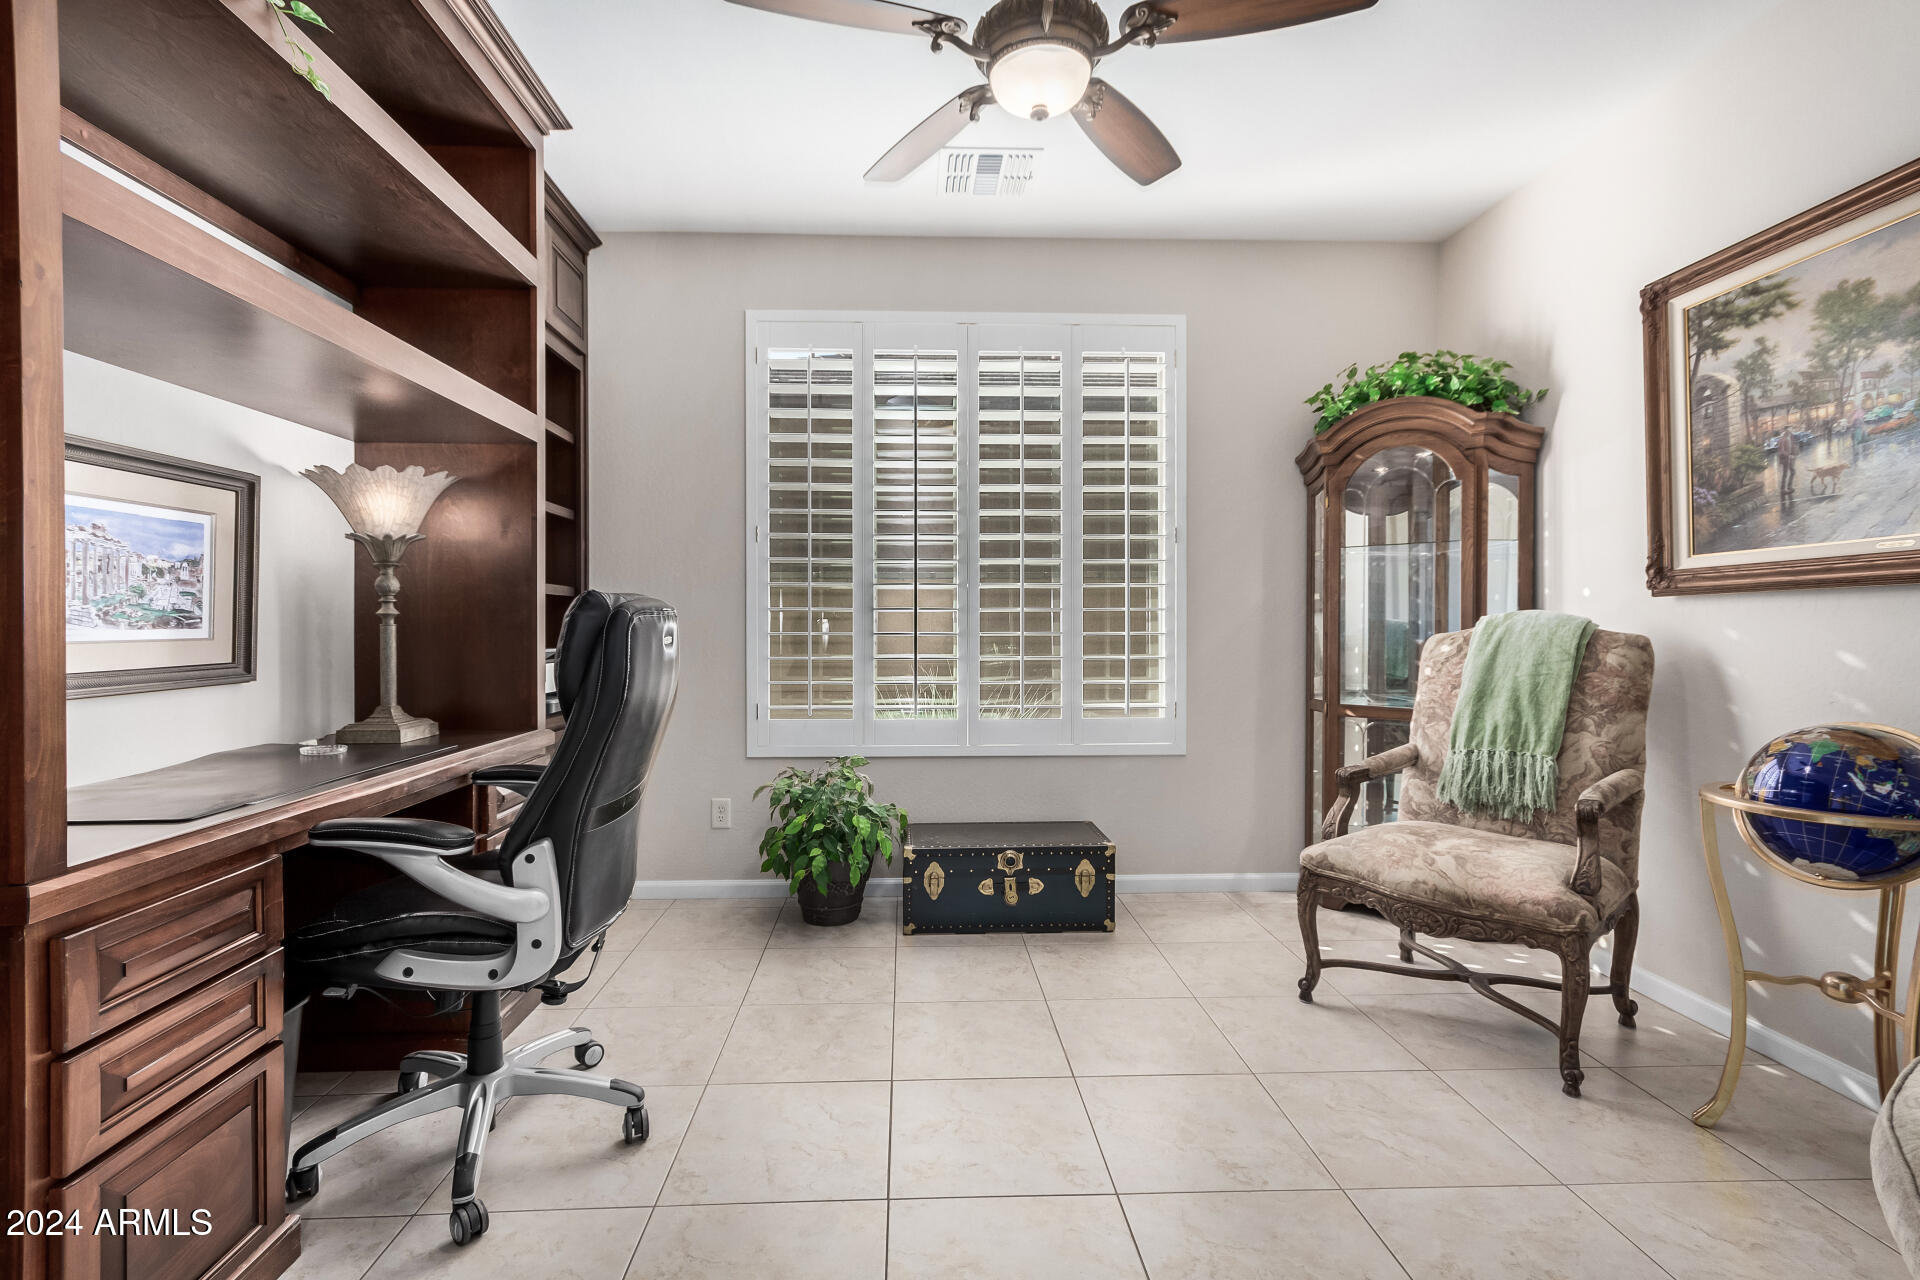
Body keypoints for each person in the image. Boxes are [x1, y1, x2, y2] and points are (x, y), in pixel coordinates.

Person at [1776, 423, 1798, 506]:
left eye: (1791, 428)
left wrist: (1795, 453)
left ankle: (1789, 487)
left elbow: (1792, 446)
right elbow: (1781, 451)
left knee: (1792, 472)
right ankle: (1783, 489)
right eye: (1790, 428)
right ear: (1786, 430)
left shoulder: (1791, 437)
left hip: (1790, 459)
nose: (1791, 429)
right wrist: (1789, 455)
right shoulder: (1782, 439)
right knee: (1785, 474)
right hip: (1785, 459)